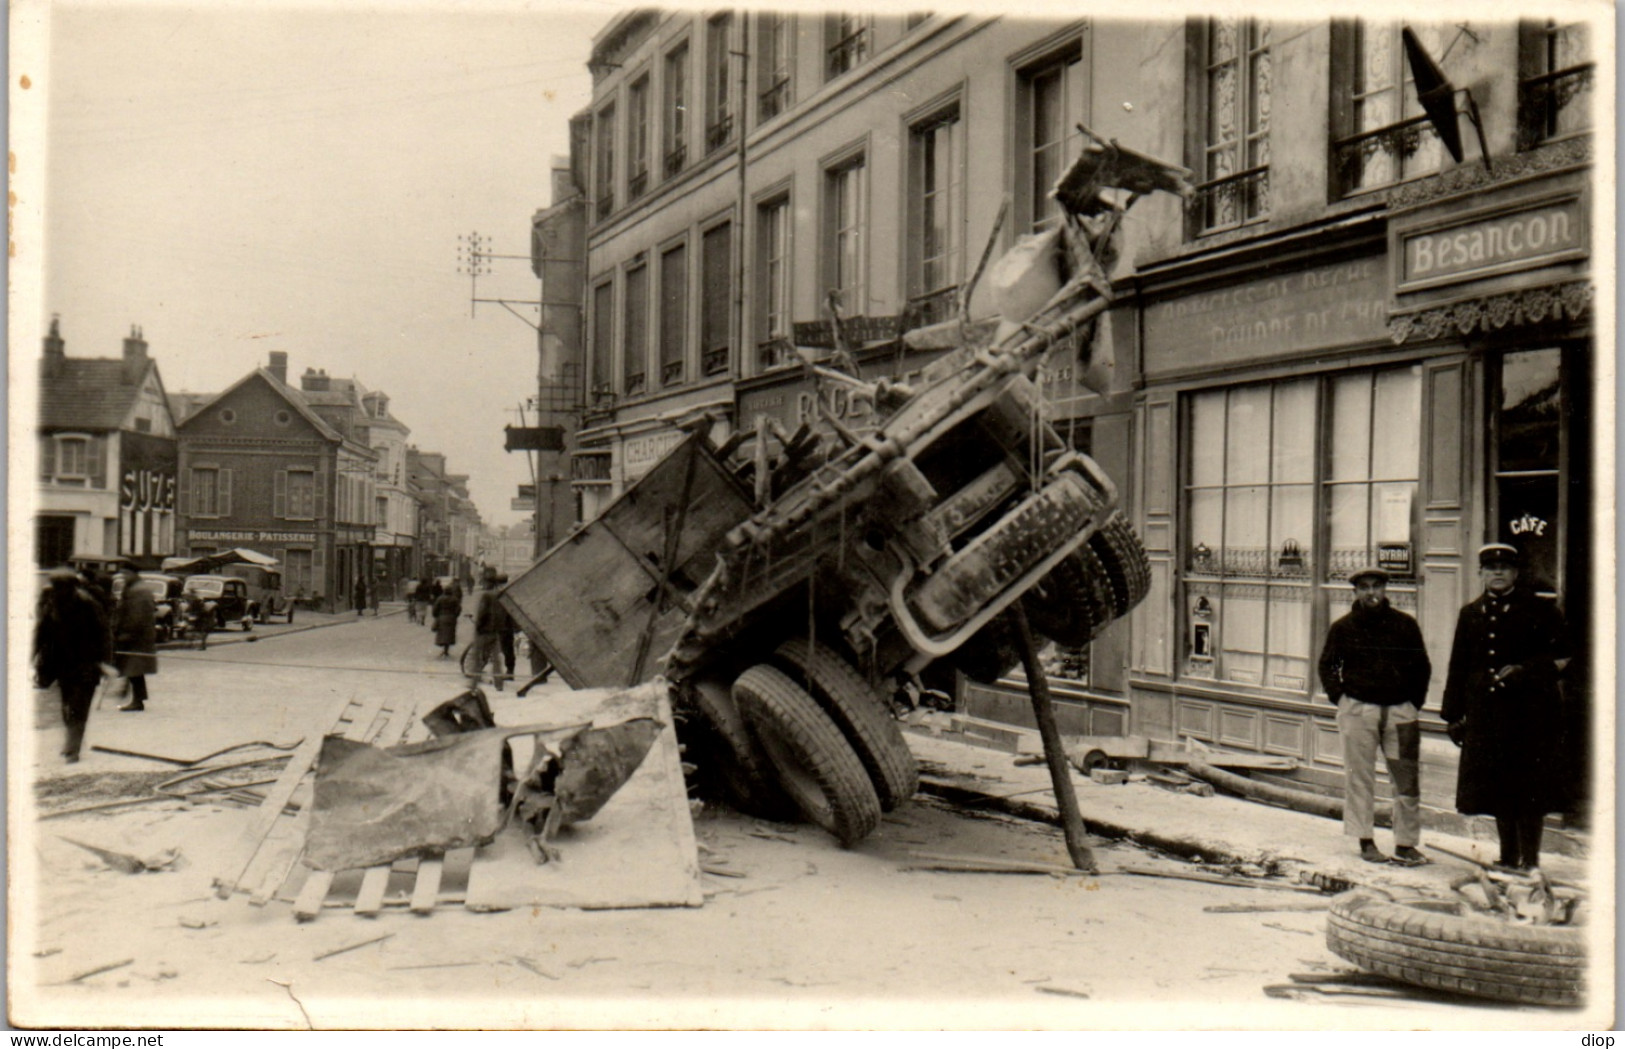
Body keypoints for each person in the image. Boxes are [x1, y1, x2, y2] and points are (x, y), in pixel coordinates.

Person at [1441, 543, 1573, 873]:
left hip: (1531, 716)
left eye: (1505, 568)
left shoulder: (1541, 610)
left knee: (1529, 789)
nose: (1497, 573)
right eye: (1490, 568)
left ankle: (1530, 861)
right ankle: (1507, 857)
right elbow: (1458, 666)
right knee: (1498, 787)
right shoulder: (1470, 613)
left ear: (1516, 573)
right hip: (1488, 716)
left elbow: (1565, 657)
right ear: (1481, 573)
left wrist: (1526, 671)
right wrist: (1453, 715)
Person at [1317, 565, 1431, 866]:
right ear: (1355, 592)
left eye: (1376, 587)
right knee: (1360, 778)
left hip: (1400, 712)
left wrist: (1412, 703)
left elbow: (1421, 666)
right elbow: (1327, 666)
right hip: (1358, 711)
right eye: (1364, 587)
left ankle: (1406, 844)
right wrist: (1341, 699)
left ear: (1385, 589)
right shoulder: (1344, 627)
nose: (1371, 593)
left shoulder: (1405, 625)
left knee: (1406, 780)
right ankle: (1365, 840)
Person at [34, 567, 114, 763]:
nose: (57, 591)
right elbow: (40, 633)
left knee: (79, 705)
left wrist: (106, 662)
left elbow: (104, 634)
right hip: (63, 664)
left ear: (71, 587)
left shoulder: (88, 604)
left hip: (87, 663)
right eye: (55, 587)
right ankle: (71, 742)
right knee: (67, 705)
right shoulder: (52, 604)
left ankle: (73, 748)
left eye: (61, 587)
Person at [110, 563, 158, 712]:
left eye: (126, 574)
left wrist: (127, 633)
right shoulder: (135, 588)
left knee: (134, 668)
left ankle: (137, 701)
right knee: (134, 669)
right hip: (136, 635)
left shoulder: (139, 591)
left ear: (134, 573)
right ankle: (137, 699)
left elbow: (137, 616)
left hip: (137, 637)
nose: (123, 577)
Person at [469, 571, 505, 689]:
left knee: (477, 656)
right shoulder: (499, 595)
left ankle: (474, 683)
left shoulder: (486, 596)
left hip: (483, 632)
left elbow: (482, 613)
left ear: (487, 583)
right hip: (495, 632)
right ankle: (499, 684)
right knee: (496, 659)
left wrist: (478, 626)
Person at [492, 573, 517, 689]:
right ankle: (510, 671)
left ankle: (508, 672)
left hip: (503, 626)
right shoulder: (509, 591)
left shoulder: (499, 594)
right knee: (508, 649)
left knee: (504, 649)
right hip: (507, 626)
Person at [432, 584, 462, 659]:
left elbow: (435, 608)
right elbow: (458, 609)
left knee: (442, 634)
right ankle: (446, 650)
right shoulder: (454, 599)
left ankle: (444, 650)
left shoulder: (440, 599)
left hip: (442, 617)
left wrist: (436, 615)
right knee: (449, 634)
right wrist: (455, 615)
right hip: (451, 618)